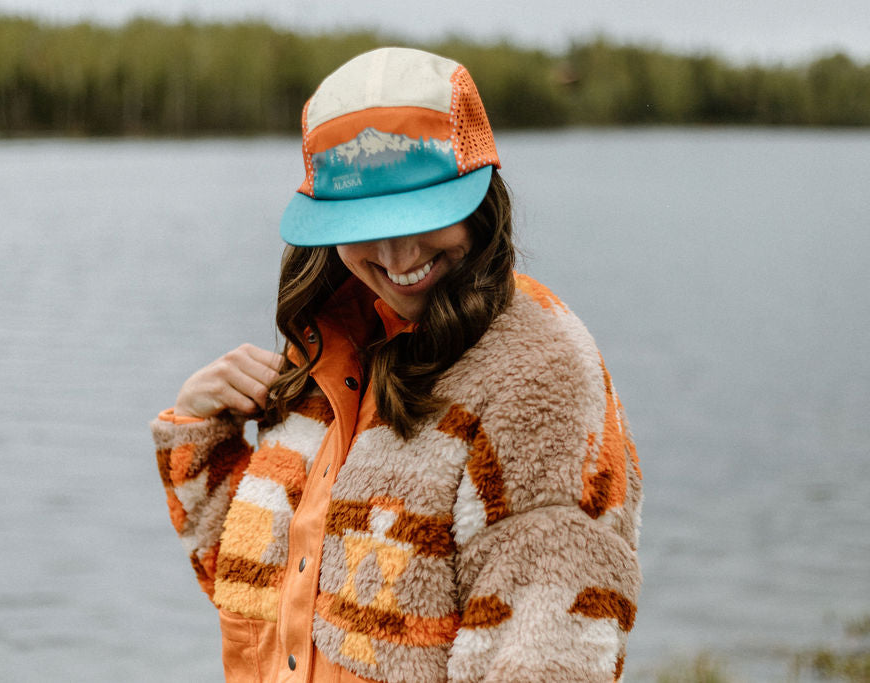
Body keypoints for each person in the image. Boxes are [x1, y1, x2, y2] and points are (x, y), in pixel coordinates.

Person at [151, 47, 641, 683]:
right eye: (365, 222)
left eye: (422, 213)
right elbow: (258, 600)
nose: (397, 253)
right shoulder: (327, 351)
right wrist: (200, 432)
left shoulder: (535, 372)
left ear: (481, 200)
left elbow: (548, 654)